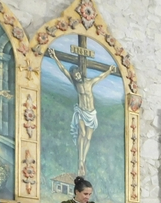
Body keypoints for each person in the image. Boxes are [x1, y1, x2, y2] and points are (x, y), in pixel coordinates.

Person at [47, 48, 115, 176]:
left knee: (88, 138)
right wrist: (55, 56)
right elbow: (63, 70)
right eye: (74, 75)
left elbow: (101, 77)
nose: (76, 76)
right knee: (82, 134)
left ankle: (84, 159)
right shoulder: (75, 84)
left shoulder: (89, 82)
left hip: (91, 113)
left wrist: (109, 71)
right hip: (81, 111)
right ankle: (80, 162)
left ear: (80, 73)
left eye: (77, 74)